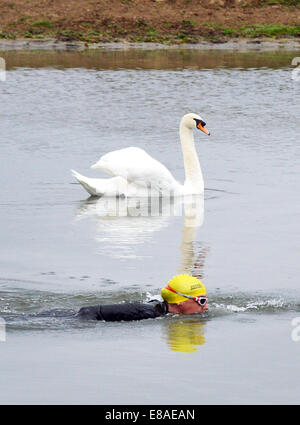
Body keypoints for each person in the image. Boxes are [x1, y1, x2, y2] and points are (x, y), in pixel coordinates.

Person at [76, 274, 208, 322]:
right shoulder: (147, 312)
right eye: (201, 301)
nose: (206, 306)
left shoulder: (158, 307)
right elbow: (88, 311)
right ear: (180, 302)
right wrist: (83, 326)